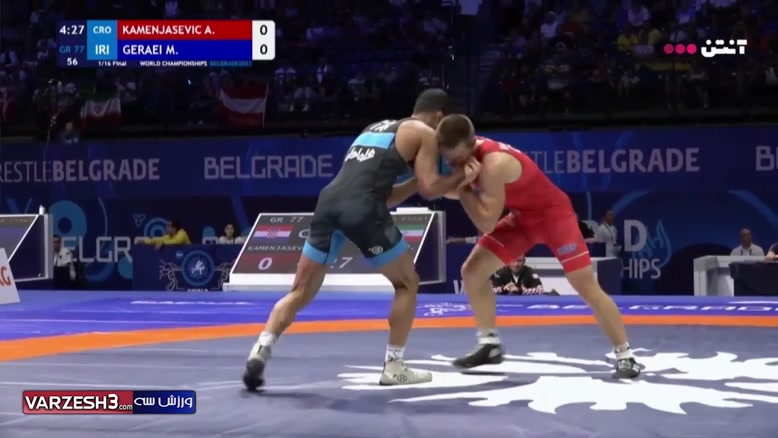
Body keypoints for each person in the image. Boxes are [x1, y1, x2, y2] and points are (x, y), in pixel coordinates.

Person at [243, 89, 463, 390]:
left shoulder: (374, 128)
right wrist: (461, 176)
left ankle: (261, 348)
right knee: (407, 283)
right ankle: (394, 366)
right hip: (361, 208)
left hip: (328, 203)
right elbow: (430, 188)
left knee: (300, 290)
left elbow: (386, 196)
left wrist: (413, 182)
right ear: (439, 117)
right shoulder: (425, 132)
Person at [436, 114, 641, 378]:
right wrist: (440, 184)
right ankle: (489, 345)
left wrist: (463, 188)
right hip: (523, 218)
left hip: (554, 217)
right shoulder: (470, 160)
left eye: (457, 160)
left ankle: (625, 355)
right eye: (448, 160)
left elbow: (485, 222)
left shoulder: (494, 164)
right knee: (472, 271)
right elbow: (457, 187)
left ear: (472, 143)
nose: (453, 165)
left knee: (585, 285)